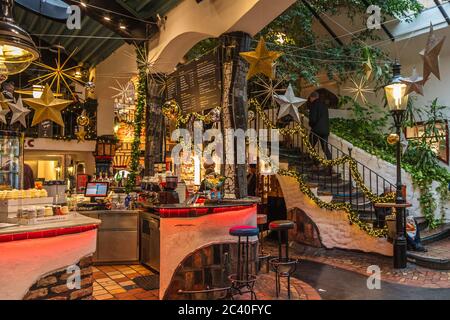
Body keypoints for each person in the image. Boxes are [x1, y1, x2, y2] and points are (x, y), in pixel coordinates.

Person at [308, 91, 332, 160]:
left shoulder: (314, 105)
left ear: (312, 97)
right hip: (325, 130)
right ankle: (330, 165)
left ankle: (316, 162)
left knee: (310, 145)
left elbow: (313, 119)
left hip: (316, 130)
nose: (309, 100)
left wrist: (311, 125)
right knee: (325, 148)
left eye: (310, 98)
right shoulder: (324, 105)